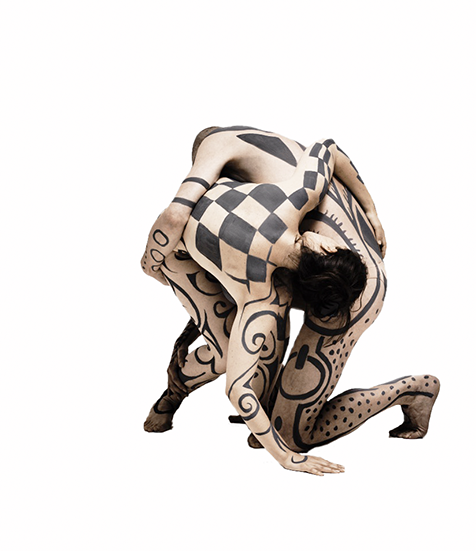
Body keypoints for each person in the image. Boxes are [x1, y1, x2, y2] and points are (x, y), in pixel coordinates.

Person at [141, 126, 440, 475]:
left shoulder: (266, 282)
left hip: (360, 289)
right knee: (259, 395)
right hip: (338, 266)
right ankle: (257, 402)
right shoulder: (292, 207)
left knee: (290, 435)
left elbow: (178, 222)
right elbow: (326, 146)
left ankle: (415, 391)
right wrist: (372, 211)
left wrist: (287, 455)